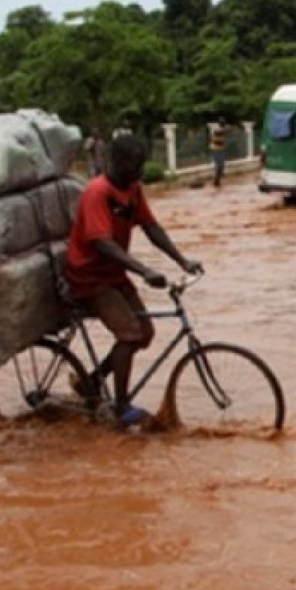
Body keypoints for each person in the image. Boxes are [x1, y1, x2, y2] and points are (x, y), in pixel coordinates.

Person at [65, 135, 203, 426]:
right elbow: (102, 242)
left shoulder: (133, 190)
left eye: (141, 165)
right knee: (129, 335)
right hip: (89, 276)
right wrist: (144, 271)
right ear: (116, 162)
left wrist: (181, 260)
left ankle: (91, 381)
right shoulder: (97, 192)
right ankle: (120, 407)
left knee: (145, 333)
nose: (139, 172)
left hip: (114, 274)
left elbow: (151, 227)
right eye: (134, 165)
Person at [209, 118, 230, 188]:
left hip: (221, 149)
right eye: (222, 123)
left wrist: (227, 128)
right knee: (219, 165)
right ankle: (216, 180)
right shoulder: (216, 129)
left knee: (222, 165)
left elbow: (227, 129)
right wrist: (226, 128)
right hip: (215, 149)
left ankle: (217, 180)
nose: (223, 124)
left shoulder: (222, 129)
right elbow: (223, 130)